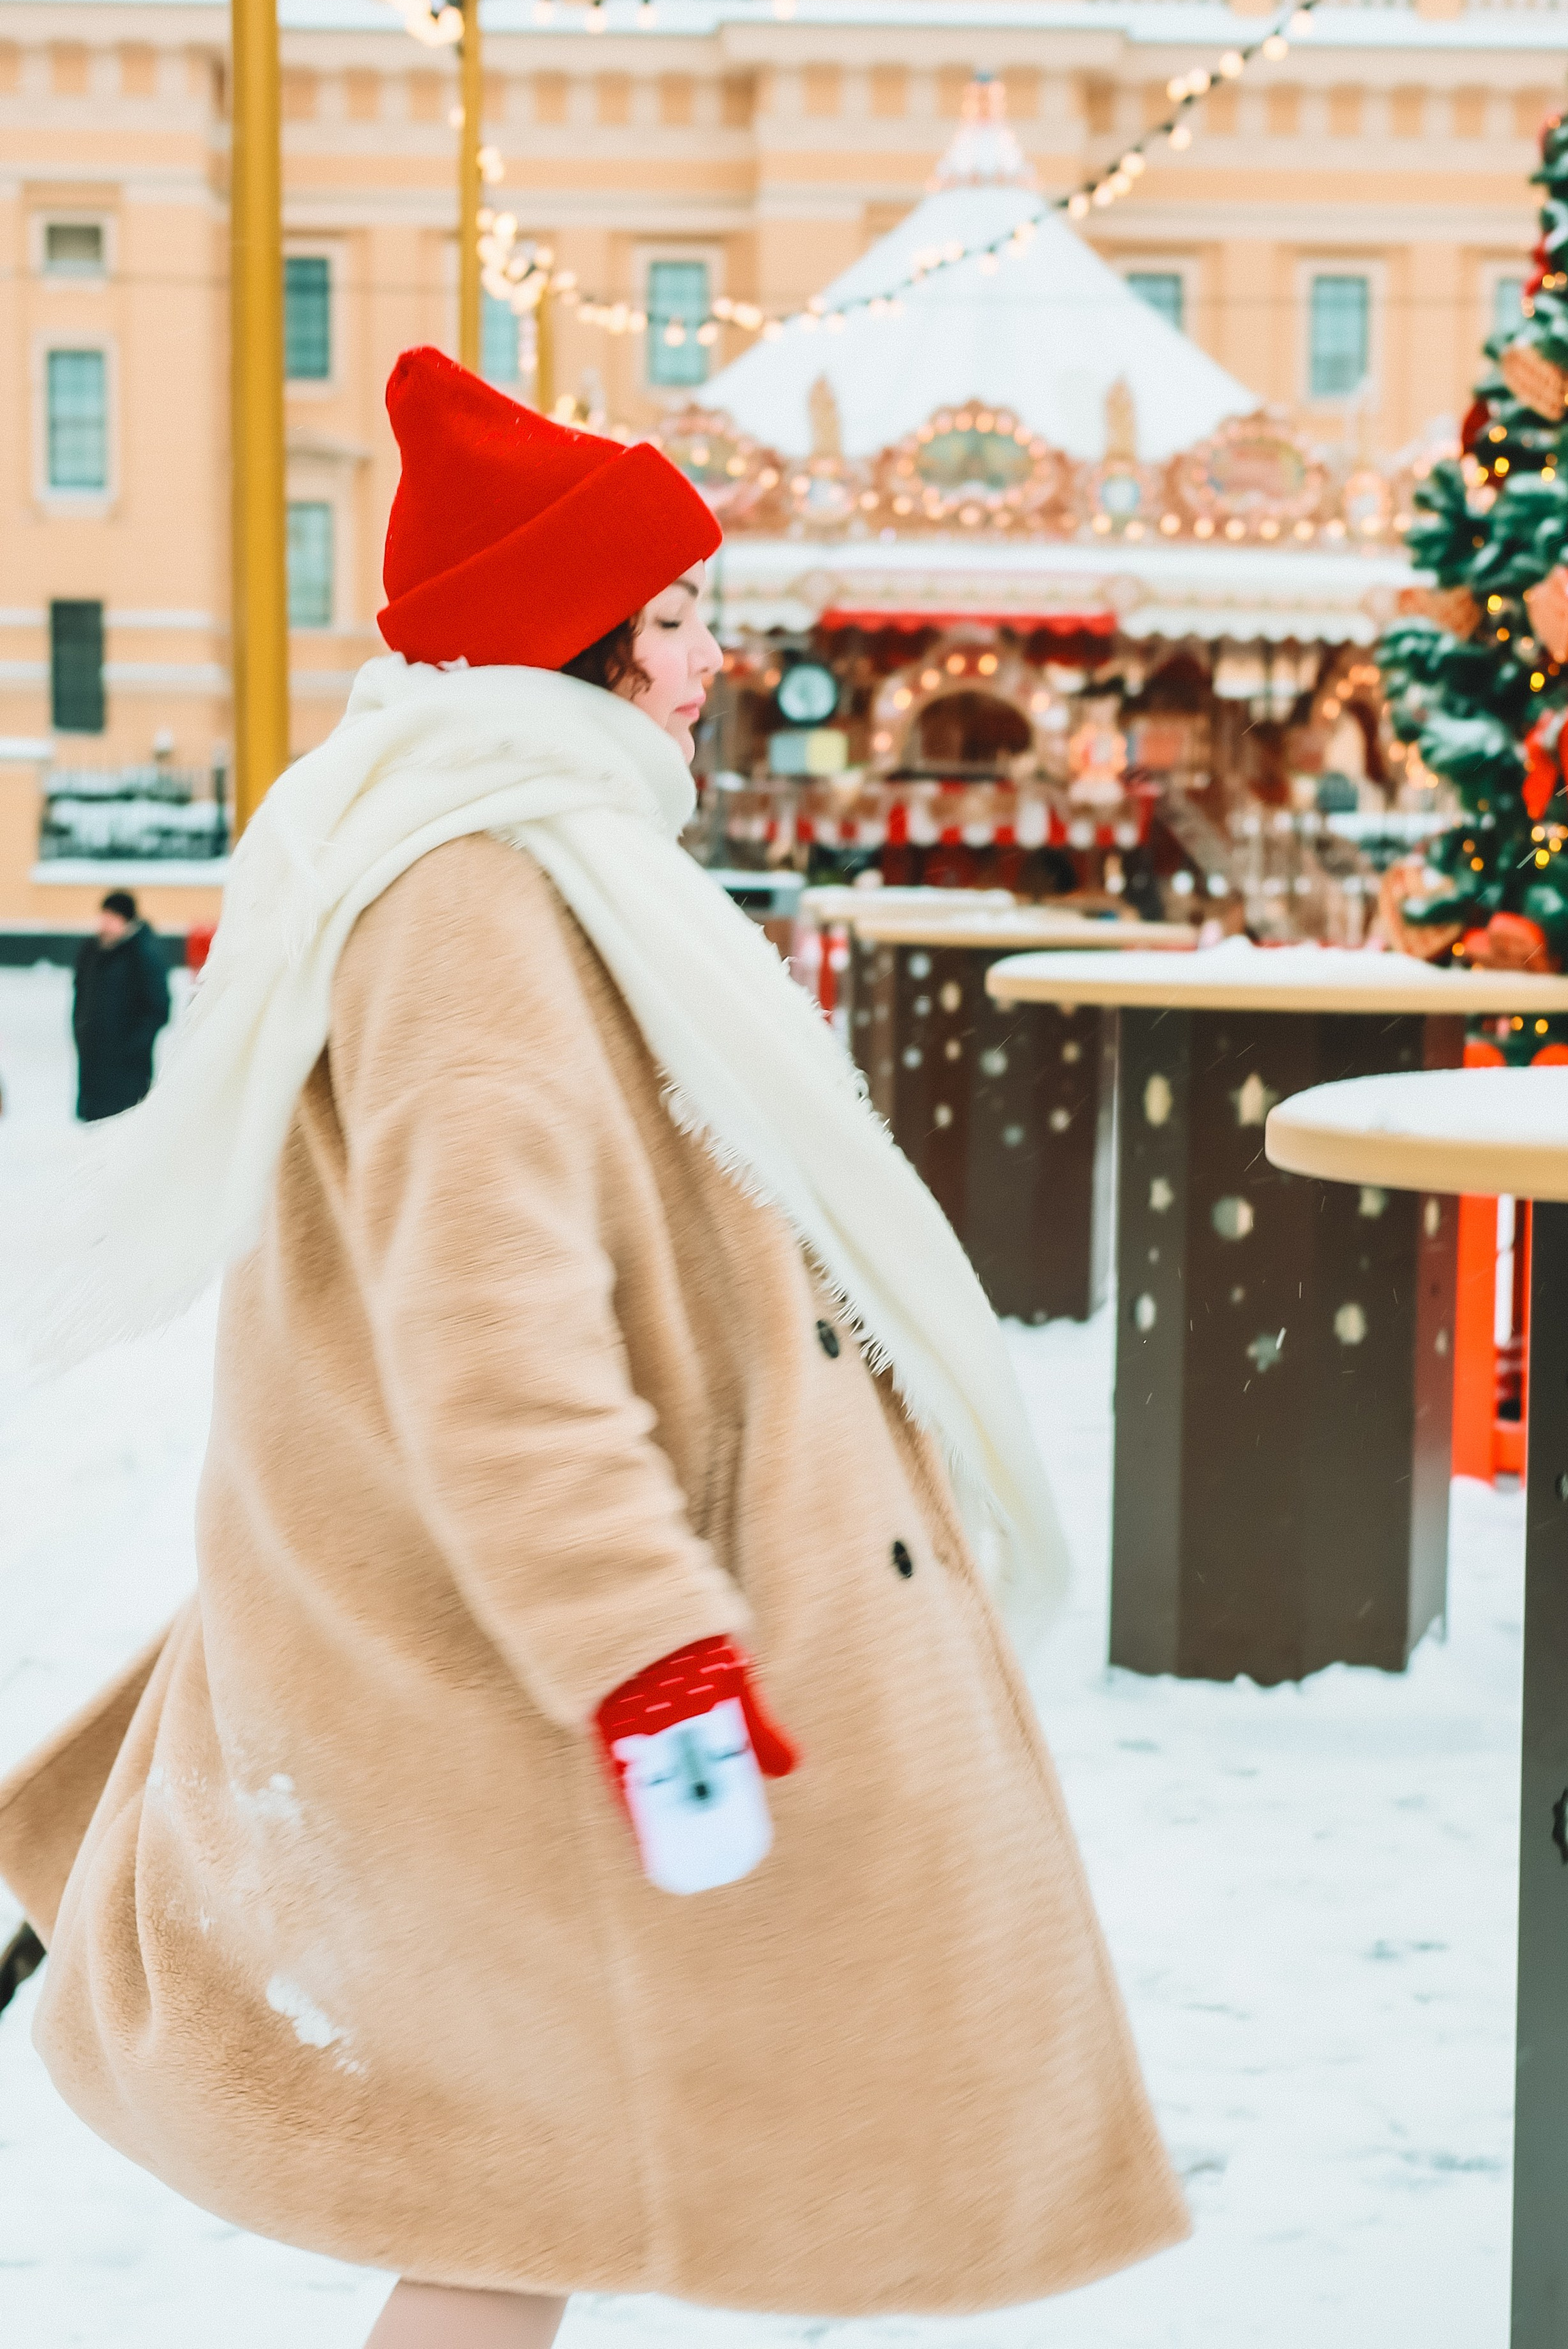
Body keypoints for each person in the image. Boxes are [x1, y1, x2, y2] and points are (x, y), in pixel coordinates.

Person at [0, 348, 1188, 2348]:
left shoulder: (532, 858)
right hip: (537, 1688)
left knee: (534, 2193)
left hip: (518, 1674)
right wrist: (649, 1659)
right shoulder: (475, 890)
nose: (713, 653)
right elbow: (494, 1335)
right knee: (517, 2196)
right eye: (674, 612)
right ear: (580, 635)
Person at [71, 888, 169, 1121]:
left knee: (123, 1126)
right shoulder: (91, 951)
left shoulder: (143, 954)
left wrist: (132, 1046)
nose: (104, 924)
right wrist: (81, 1031)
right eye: (103, 916)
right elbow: (81, 996)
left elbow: (158, 1009)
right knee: (93, 1128)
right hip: (93, 1060)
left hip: (128, 1068)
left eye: (111, 918)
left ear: (126, 921)